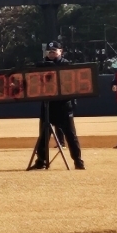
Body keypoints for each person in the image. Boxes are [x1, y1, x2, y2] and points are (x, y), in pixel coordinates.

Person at [32, 41, 85, 170]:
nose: (52, 53)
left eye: (54, 51)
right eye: (50, 51)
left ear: (61, 51)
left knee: (71, 135)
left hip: (64, 106)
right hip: (47, 106)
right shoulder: (40, 65)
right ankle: (41, 161)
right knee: (44, 135)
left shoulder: (67, 65)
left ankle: (78, 161)